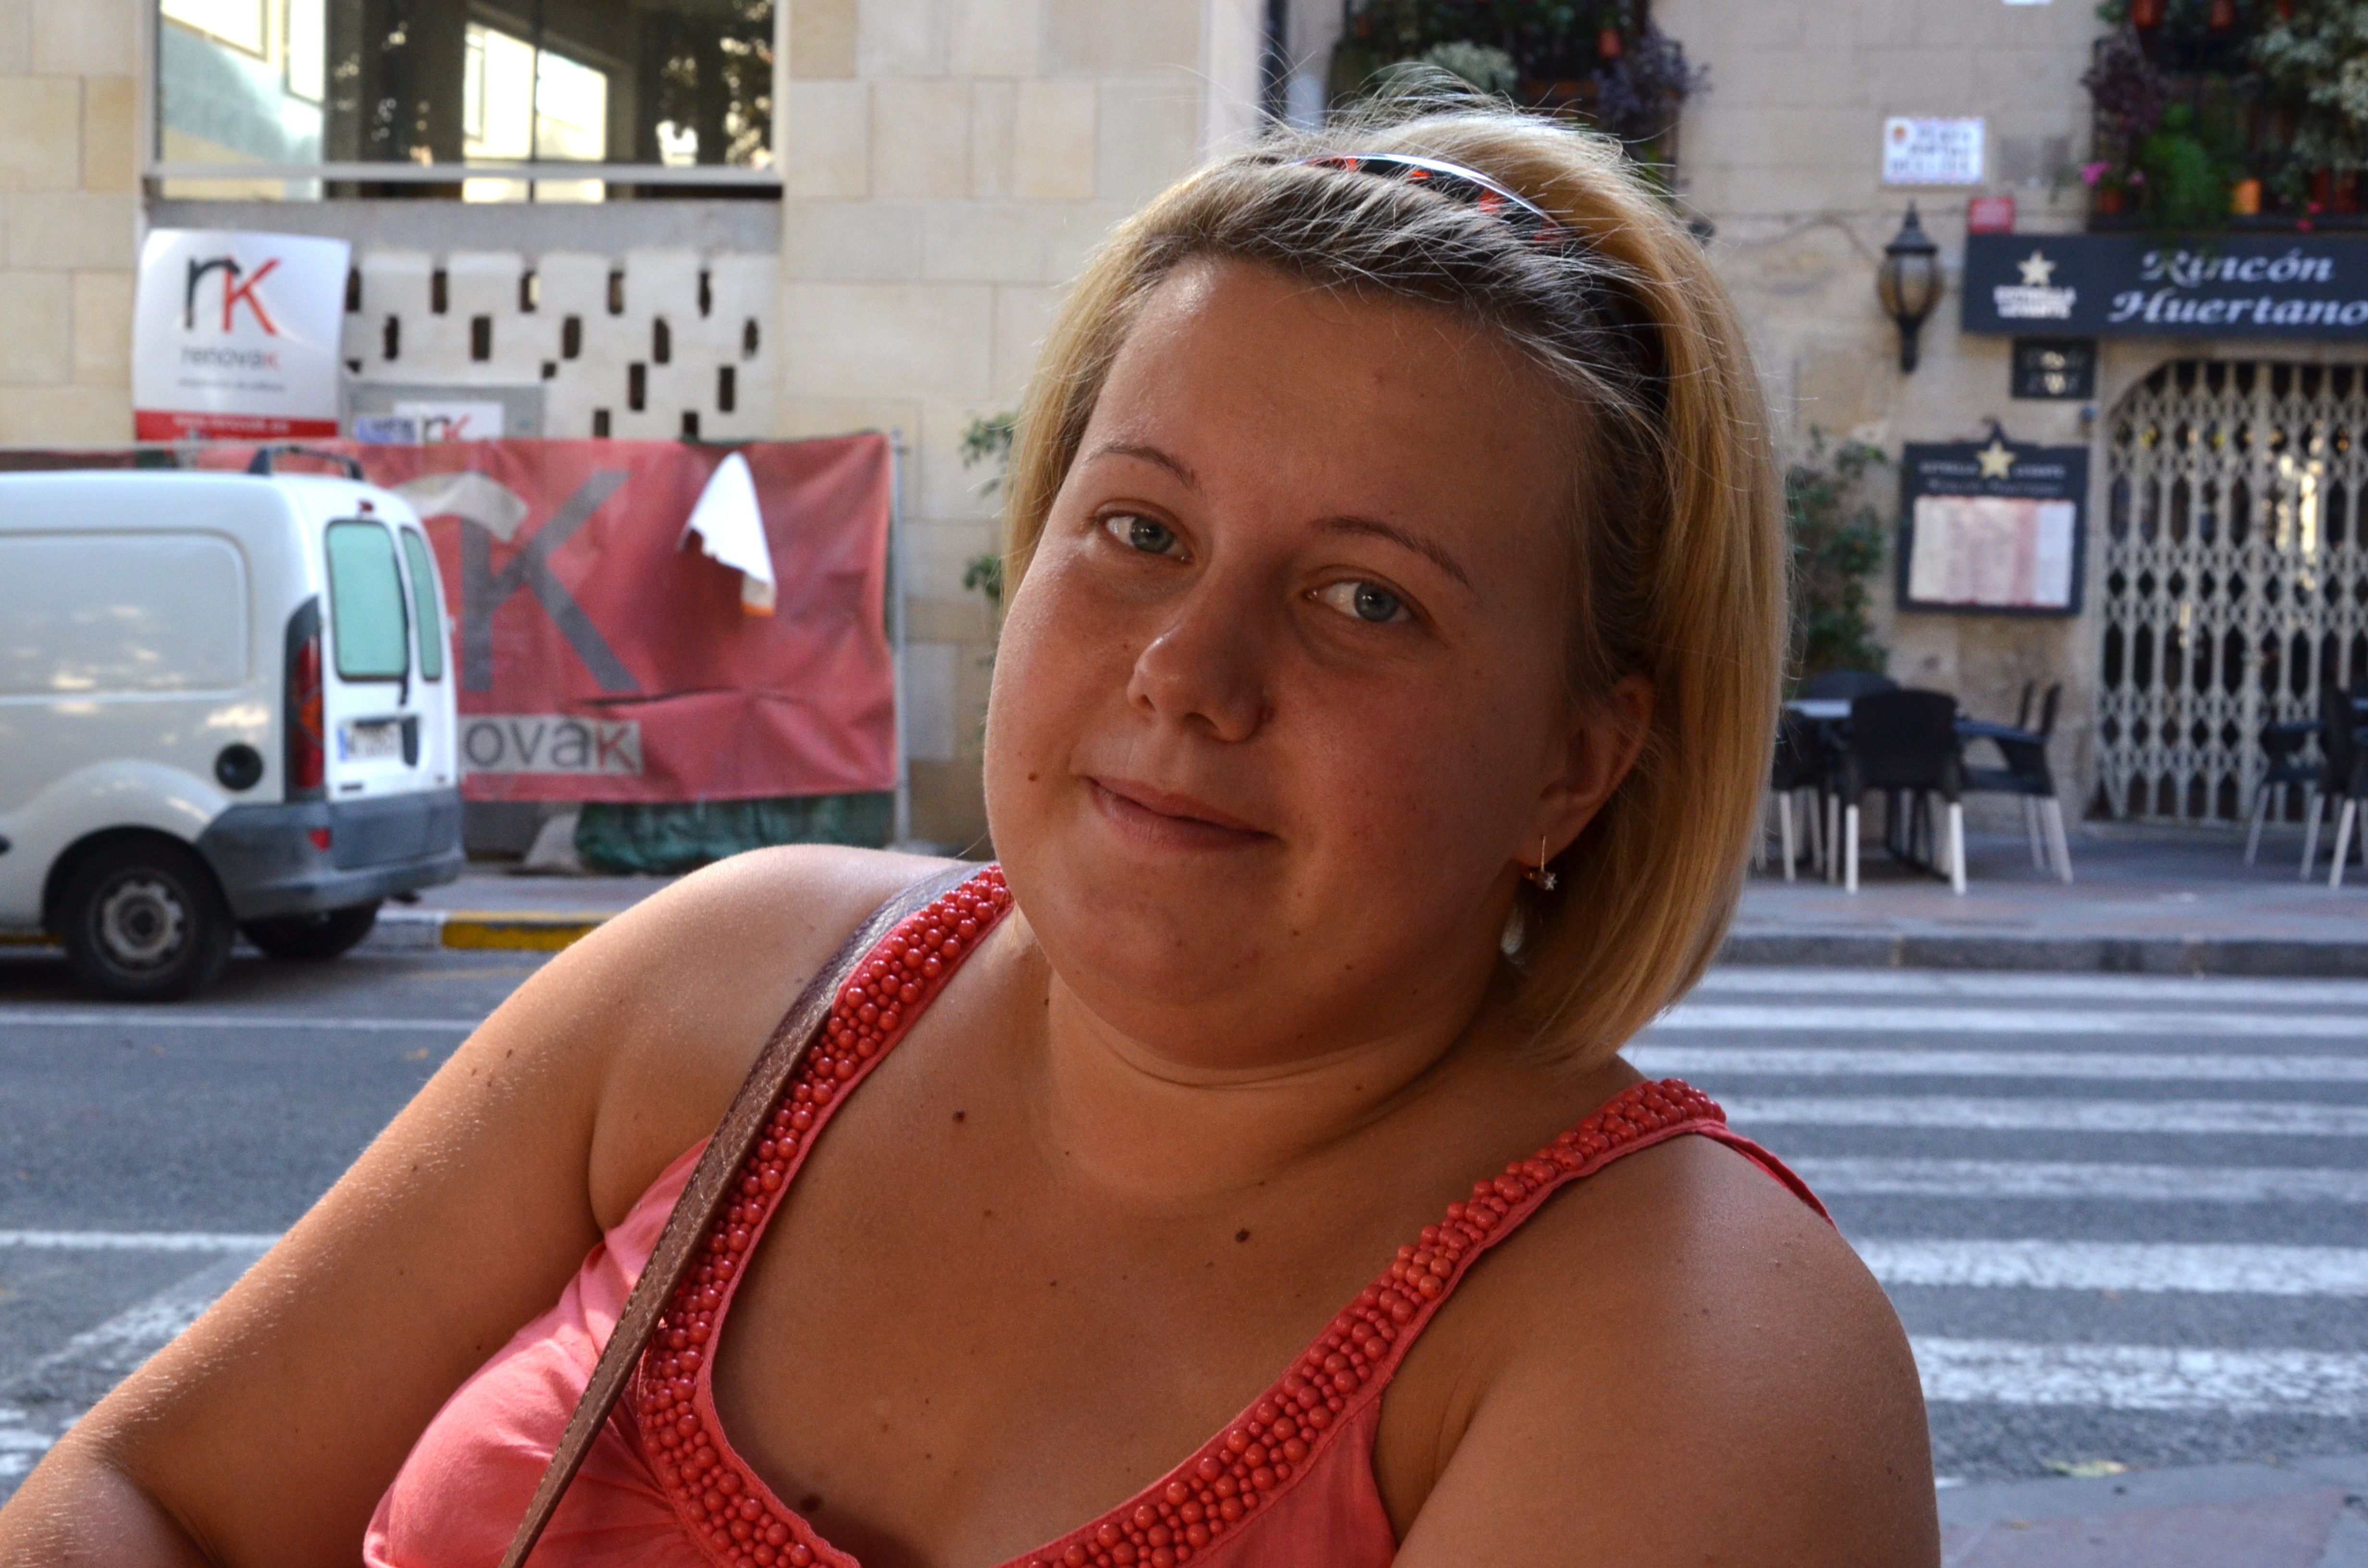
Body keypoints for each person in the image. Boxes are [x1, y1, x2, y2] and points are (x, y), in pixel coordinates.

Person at [0, 100, 1937, 1568]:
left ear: (1575, 766)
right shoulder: (727, 987)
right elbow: (148, 1496)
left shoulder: (1690, 1346)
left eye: (1368, 600)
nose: (1187, 672)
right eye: (1140, 530)